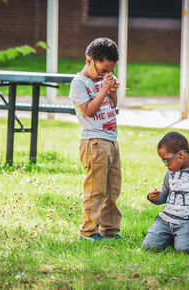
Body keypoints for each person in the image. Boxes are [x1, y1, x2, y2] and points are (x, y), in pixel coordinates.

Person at [69, 37, 123, 241]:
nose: (106, 75)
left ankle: (109, 229)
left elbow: (112, 106)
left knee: (113, 189)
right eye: (103, 71)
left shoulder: (103, 81)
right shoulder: (78, 83)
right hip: (94, 142)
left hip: (111, 140)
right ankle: (89, 231)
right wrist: (103, 88)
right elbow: (90, 111)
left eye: (111, 72)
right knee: (95, 189)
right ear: (89, 60)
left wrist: (112, 90)